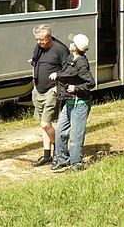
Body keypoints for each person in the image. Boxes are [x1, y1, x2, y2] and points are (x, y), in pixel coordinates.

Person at [50, 34, 96, 173]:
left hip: (80, 104)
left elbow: (91, 83)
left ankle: (76, 164)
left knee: (75, 137)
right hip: (69, 102)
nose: (70, 43)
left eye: (72, 42)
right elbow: (67, 73)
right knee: (60, 132)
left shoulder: (81, 62)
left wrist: (76, 88)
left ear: (76, 47)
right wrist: (57, 83)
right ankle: (62, 159)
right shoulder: (71, 58)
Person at [29, 24, 69, 167]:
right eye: (37, 39)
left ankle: (60, 150)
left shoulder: (60, 49)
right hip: (38, 90)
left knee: (46, 123)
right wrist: (34, 83)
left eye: (42, 39)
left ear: (49, 36)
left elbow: (68, 70)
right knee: (43, 125)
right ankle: (47, 155)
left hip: (51, 90)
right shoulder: (38, 47)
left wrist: (58, 83)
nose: (39, 42)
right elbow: (34, 64)